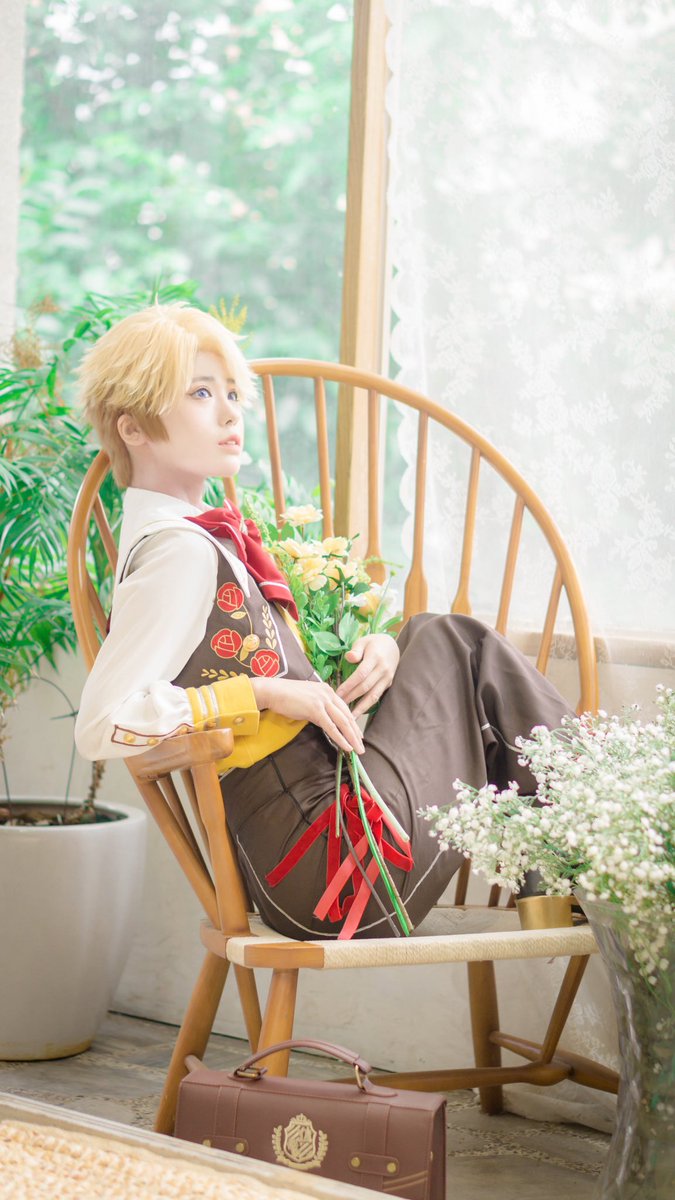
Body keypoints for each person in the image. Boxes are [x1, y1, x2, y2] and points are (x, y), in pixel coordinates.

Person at [75, 304, 573, 940]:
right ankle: (594, 848)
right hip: (328, 865)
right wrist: (264, 692)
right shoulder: (180, 552)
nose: (230, 414)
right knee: (454, 639)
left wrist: (378, 658)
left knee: (423, 637)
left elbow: (268, 689)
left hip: (317, 843)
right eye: (200, 393)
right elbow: (102, 724)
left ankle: (572, 861)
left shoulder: (198, 540)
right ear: (133, 428)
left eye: (232, 393)